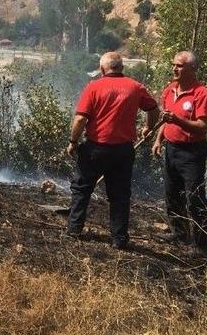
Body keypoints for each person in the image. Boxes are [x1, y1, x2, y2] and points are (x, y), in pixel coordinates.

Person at [66, 52, 160, 249]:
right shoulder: (136, 87)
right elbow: (153, 108)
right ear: (122, 68)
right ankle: (119, 238)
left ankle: (74, 229)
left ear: (102, 69)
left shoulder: (94, 87)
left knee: (82, 188)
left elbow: (81, 119)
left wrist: (73, 141)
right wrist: (148, 128)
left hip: (95, 148)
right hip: (123, 151)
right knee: (119, 195)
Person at [151, 51, 207, 252]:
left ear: (192, 69)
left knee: (194, 197)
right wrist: (158, 139)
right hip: (172, 149)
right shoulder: (170, 90)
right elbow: (165, 119)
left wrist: (177, 120)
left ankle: (202, 244)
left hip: (192, 153)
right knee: (172, 194)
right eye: (174, 65)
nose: (174, 69)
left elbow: (202, 127)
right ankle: (179, 234)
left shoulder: (202, 93)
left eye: (179, 66)